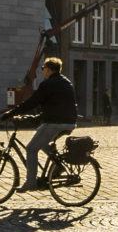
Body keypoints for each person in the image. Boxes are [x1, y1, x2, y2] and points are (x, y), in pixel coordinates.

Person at [7, 57, 79, 186]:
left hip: (56, 123)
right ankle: (59, 165)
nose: (42, 71)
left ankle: (31, 183)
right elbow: (55, 106)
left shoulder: (48, 84)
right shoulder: (66, 82)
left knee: (31, 149)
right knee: (41, 135)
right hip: (69, 122)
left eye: (43, 69)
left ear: (49, 69)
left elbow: (32, 102)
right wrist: (36, 118)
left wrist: (12, 112)